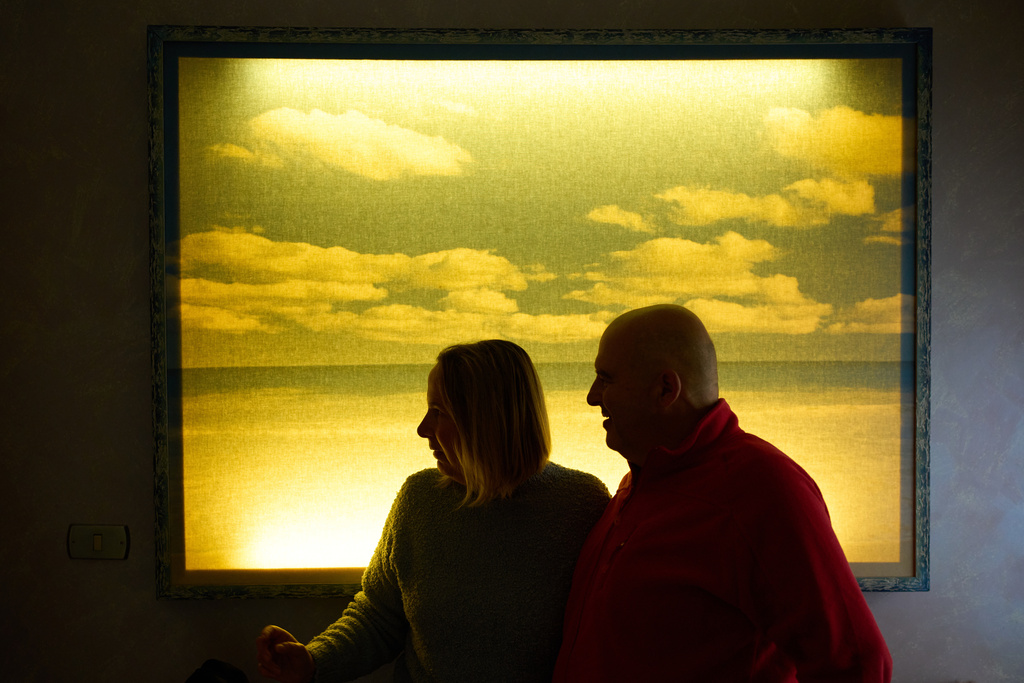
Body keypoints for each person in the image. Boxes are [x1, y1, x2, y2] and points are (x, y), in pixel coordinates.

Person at [553, 304, 893, 682]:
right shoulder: (641, 480)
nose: (591, 396)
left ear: (666, 389)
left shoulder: (762, 488)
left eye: (606, 377)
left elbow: (858, 664)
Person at [257, 339, 610, 683]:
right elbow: (379, 617)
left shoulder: (581, 506)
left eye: (438, 412)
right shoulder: (419, 499)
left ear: (486, 419)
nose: (423, 429)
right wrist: (314, 660)